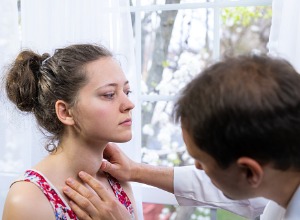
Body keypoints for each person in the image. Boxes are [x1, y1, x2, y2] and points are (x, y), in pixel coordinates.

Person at [64, 54, 300, 220]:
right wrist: (136, 171)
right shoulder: (282, 174)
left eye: (202, 162)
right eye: (108, 94)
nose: (197, 168)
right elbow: (223, 185)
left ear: (249, 172)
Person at [2, 44, 138, 220]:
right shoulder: (28, 199)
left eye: (127, 91)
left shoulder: (117, 182)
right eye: (109, 94)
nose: (129, 104)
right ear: (65, 112)